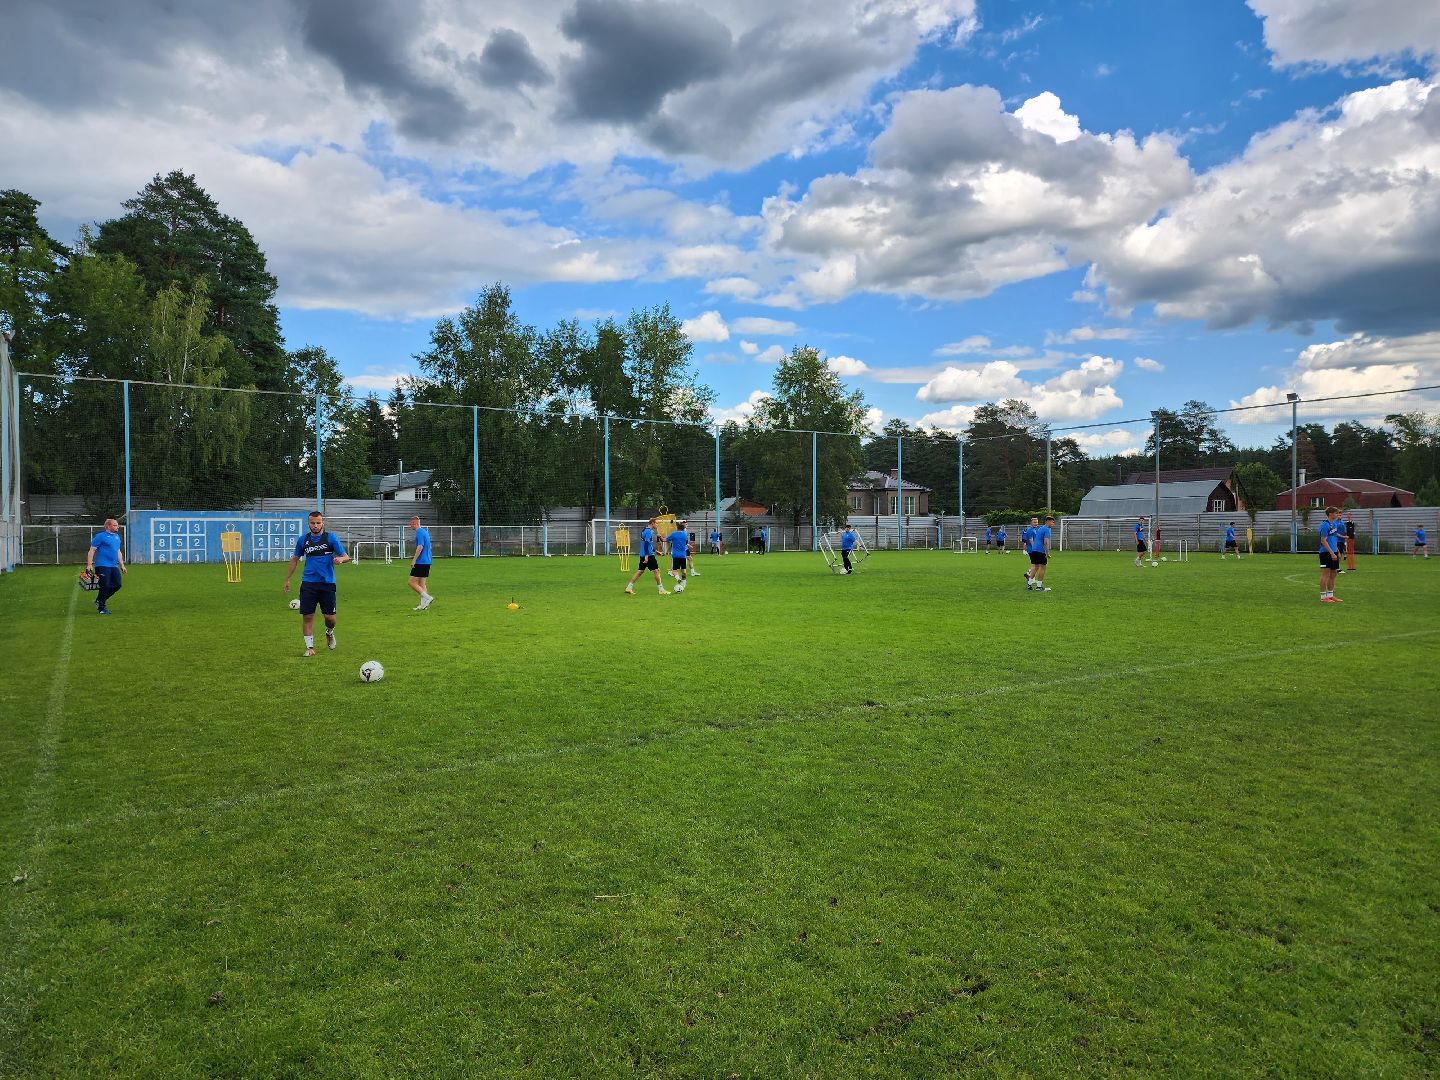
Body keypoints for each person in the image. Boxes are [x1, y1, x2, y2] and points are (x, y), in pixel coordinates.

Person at [284, 510, 350, 655]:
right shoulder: (303, 540)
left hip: (327, 583)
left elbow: (346, 556)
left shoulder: (330, 538)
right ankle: (310, 648)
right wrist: (288, 578)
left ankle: (329, 631)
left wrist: (341, 559)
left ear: (323, 522)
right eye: (312, 523)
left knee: (330, 618)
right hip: (308, 583)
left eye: (318, 523)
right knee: (308, 616)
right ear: (308, 523)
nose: (315, 525)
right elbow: (295, 559)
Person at [85, 518, 126, 615]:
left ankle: (99, 600)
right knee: (105, 586)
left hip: (113, 565)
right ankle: (102, 608)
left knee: (117, 585)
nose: (117, 527)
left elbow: (118, 551)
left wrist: (122, 565)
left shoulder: (117, 537)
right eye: (115, 525)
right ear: (108, 526)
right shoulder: (100, 536)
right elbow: (92, 550)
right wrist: (89, 564)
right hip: (102, 565)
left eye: (117, 525)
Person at [625, 517, 667, 594]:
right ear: (652, 523)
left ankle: (628, 587)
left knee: (640, 571)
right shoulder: (649, 532)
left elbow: (648, 544)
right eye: (656, 523)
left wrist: (656, 551)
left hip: (643, 554)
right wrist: (647, 556)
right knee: (656, 571)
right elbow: (647, 544)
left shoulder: (644, 530)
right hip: (648, 555)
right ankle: (661, 590)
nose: (657, 525)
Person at [408, 516, 434, 610]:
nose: (410, 526)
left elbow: (420, 547)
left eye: (411, 524)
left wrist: (414, 560)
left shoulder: (419, 533)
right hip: (427, 561)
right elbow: (429, 547)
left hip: (421, 562)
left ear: (415, 523)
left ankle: (428, 598)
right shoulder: (425, 532)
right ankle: (423, 605)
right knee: (422, 584)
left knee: (411, 582)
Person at [1317, 505, 1342, 603]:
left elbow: (1334, 539)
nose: (1337, 514)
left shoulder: (1334, 525)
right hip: (1326, 553)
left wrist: (1337, 551)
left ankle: (1330, 595)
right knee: (1326, 574)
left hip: (1334, 552)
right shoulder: (1324, 525)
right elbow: (1323, 541)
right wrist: (1331, 553)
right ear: (1330, 514)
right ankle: (1323, 597)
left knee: (1334, 573)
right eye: (1336, 513)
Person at [1029, 515, 1054, 592]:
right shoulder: (1047, 529)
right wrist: (1047, 553)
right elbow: (1045, 542)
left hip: (1034, 550)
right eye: (1052, 522)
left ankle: (1029, 584)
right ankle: (1039, 587)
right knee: (1043, 568)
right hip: (1040, 550)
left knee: (1035, 567)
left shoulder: (1040, 528)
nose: (1053, 524)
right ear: (1048, 521)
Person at [667, 521, 691, 593]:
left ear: (677, 528)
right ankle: (684, 582)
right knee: (683, 570)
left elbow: (665, 540)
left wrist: (660, 536)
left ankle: (678, 579)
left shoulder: (674, 534)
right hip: (683, 555)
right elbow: (686, 543)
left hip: (675, 555)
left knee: (674, 570)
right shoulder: (685, 534)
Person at [1022, 516, 1039, 586]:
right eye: (1034, 522)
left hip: (1032, 549)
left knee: (1035, 564)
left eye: (1037, 522)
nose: (1036, 523)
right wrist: (1035, 549)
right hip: (1032, 550)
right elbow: (1031, 540)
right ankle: (1029, 576)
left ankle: (1030, 576)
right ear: (1031, 523)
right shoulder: (1031, 530)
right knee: (1034, 565)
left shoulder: (1033, 529)